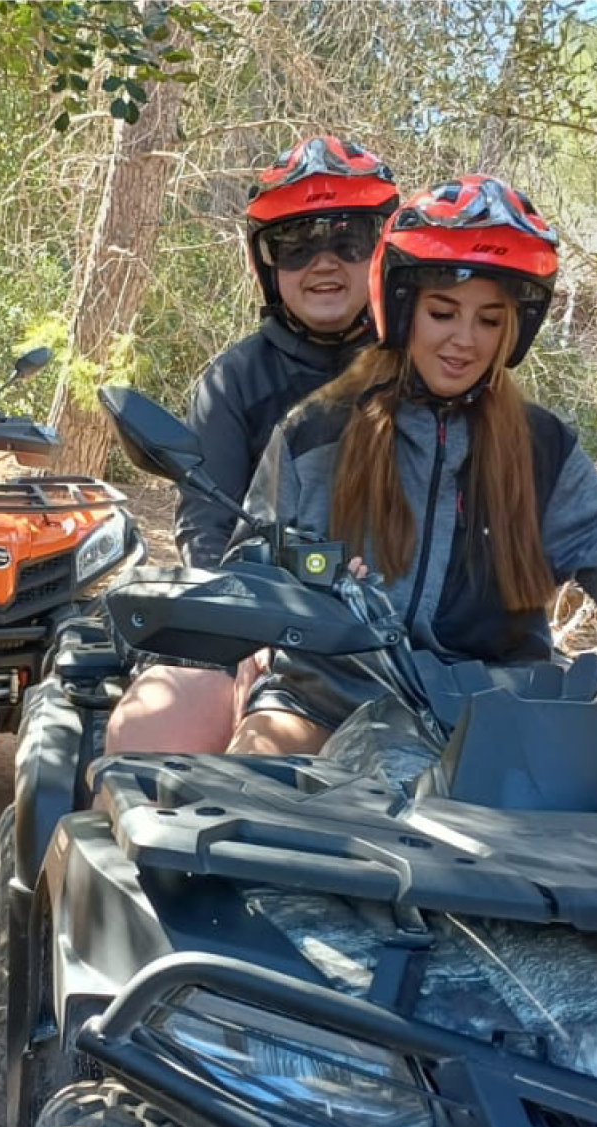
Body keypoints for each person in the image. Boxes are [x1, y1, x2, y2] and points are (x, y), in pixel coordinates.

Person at [225, 174, 597, 760]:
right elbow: (254, 557)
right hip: (332, 693)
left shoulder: (542, 446)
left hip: (499, 706)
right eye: (443, 313)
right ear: (401, 308)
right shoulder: (319, 431)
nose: (464, 340)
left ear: (513, 331)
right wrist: (322, 572)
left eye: (489, 320)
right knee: (246, 793)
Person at [104, 136, 400, 754]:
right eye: (295, 245)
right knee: (147, 741)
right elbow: (207, 527)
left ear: (382, 250)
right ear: (265, 264)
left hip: (409, 634)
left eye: (347, 239)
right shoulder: (234, 380)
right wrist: (247, 623)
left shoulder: (426, 364)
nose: (323, 262)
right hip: (264, 620)